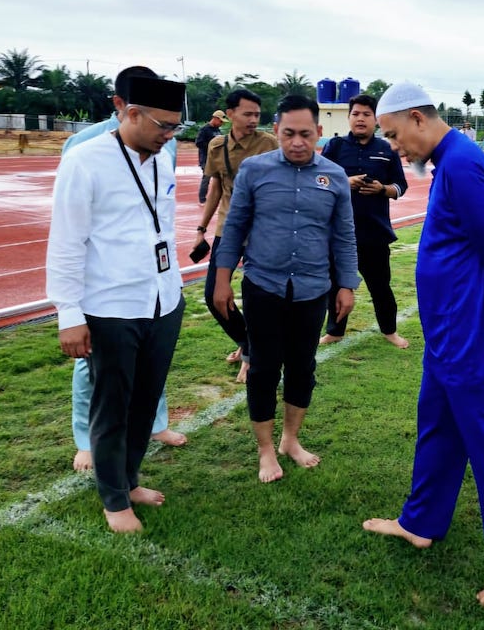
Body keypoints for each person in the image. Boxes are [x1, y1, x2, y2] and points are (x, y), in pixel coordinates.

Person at [362, 82, 484, 613]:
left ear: (419, 118)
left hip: (466, 330)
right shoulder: (451, 161)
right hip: (448, 329)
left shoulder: (463, 162)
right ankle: (421, 522)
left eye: (397, 135)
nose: (396, 148)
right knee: (438, 426)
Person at [46, 68, 186, 533]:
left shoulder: (164, 159)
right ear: (126, 110)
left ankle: (128, 480)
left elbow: (161, 227)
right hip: (109, 307)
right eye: (161, 126)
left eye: (175, 127)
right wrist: (69, 315)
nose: (169, 136)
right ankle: (113, 500)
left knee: (145, 403)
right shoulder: (84, 161)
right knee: (112, 405)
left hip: (163, 301)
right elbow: (66, 242)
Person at [213, 94, 358, 483]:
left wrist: (347, 285)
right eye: (289, 133)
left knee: (302, 366)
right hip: (263, 286)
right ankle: (265, 450)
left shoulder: (335, 176)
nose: (297, 142)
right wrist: (223, 280)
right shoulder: (254, 171)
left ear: (320, 133)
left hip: (313, 288)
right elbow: (235, 228)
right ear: (276, 131)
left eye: (306, 134)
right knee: (262, 367)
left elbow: (344, 236)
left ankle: (290, 440)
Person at [192, 89, 278, 383]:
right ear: (230, 115)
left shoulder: (269, 144)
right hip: (227, 229)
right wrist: (201, 229)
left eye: (257, 114)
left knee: (256, 297)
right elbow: (216, 186)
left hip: (262, 232)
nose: (254, 119)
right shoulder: (217, 146)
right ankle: (247, 343)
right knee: (213, 295)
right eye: (248, 114)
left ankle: (253, 354)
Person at [319, 93, 409, 348]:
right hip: (338, 234)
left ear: (376, 120)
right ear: (349, 117)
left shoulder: (386, 149)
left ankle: (389, 330)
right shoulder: (334, 147)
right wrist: (344, 182)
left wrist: (383, 189)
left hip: (375, 233)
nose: (360, 119)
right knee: (335, 286)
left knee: (381, 287)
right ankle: (335, 331)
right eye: (356, 114)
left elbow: (401, 186)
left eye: (366, 114)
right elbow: (317, 181)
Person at [195, 109, 225, 204]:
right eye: (220, 121)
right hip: (206, 158)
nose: (221, 124)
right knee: (206, 178)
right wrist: (211, 146)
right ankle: (202, 199)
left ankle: (222, 197)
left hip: (217, 159)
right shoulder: (204, 129)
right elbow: (198, 143)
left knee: (222, 178)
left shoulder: (218, 130)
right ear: (215, 119)